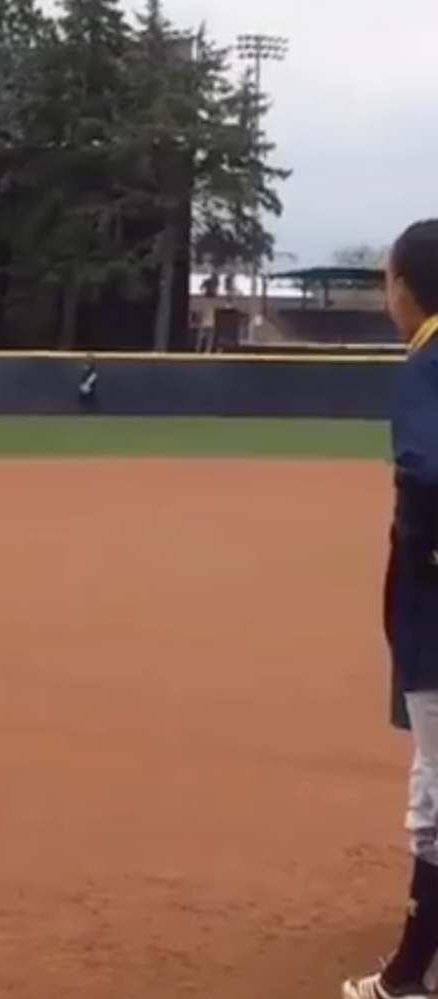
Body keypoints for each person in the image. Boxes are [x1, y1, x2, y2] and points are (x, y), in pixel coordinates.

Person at [344, 219, 438, 999]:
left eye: (387, 279)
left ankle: (406, 977)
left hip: (436, 626)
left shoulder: (426, 367)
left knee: (437, 799)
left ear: (407, 288)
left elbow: (427, 470)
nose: (387, 293)